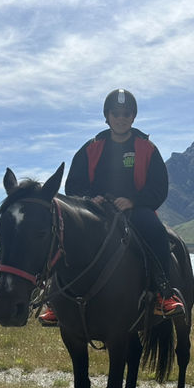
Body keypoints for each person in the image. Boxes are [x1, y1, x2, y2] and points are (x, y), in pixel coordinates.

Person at [38, 88, 184, 326]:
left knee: (156, 232)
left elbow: (159, 187)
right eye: (116, 113)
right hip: (96, 210)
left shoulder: (147, 148)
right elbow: (75, 183)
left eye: (126, 113)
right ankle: (55, 300)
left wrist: (133, 201)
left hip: (135, 210)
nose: (121, 118)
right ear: (107, 116)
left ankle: (163, 295)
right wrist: (89, 199)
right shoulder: (91, 147)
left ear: (133, 116)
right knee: (65, 237)